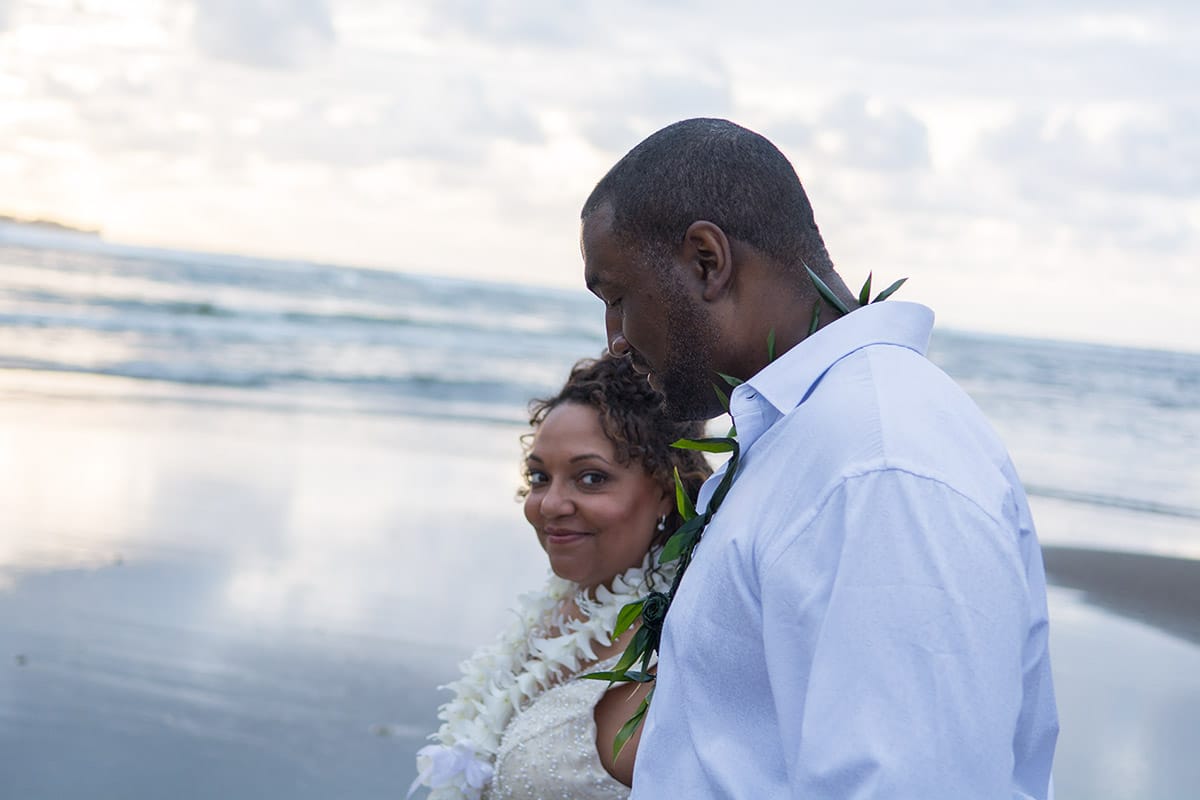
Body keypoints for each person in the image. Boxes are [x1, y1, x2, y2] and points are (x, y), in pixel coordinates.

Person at [580, 118, 1059, 798]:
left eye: (616, 298)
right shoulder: (813, 437)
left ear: (706, 261)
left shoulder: (878, 466)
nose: (614, 341)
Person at [409, 354, 711, 800]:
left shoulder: (672, 657)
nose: (549, 505)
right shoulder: (559, 606)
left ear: (666, 490)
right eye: (539, 476)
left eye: (591, 478)